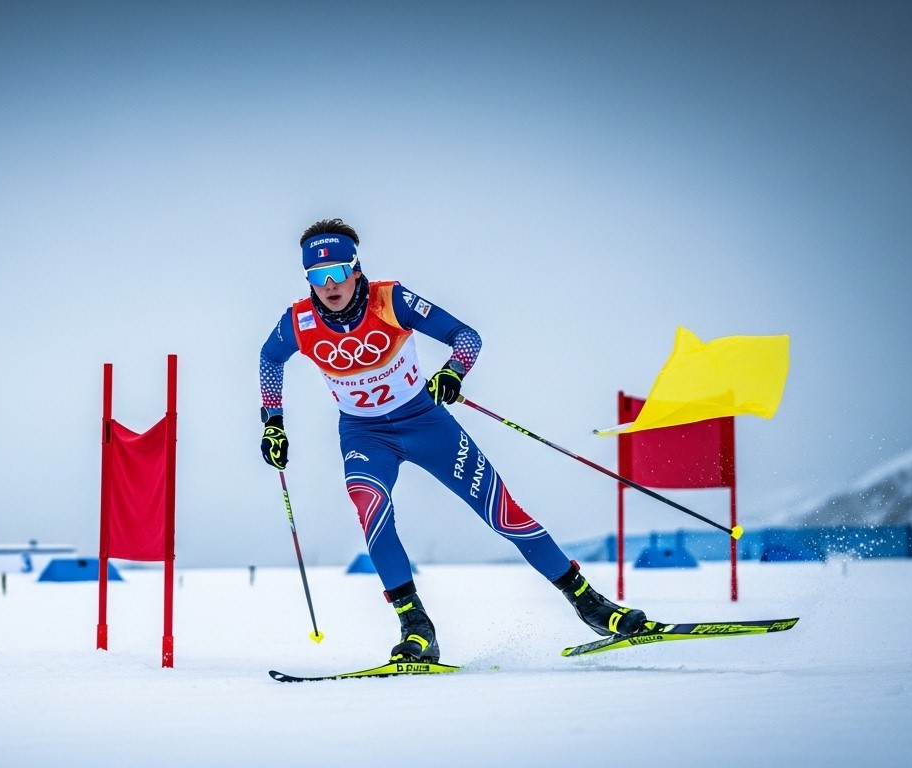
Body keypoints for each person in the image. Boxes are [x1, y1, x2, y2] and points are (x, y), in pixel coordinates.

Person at [257, 218, 649, 662]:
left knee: (505, 515)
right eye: (316, 276)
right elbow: (270, 359)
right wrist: (273, 422)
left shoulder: (391, 300)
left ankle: (592, 606)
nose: (329, 285)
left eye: (337, 272)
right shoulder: (298, 322)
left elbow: (466, 337)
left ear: (356, 268)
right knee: (373, 512)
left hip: (426, 423)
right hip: (365, 435)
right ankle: (417, 629)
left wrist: (452, 372)